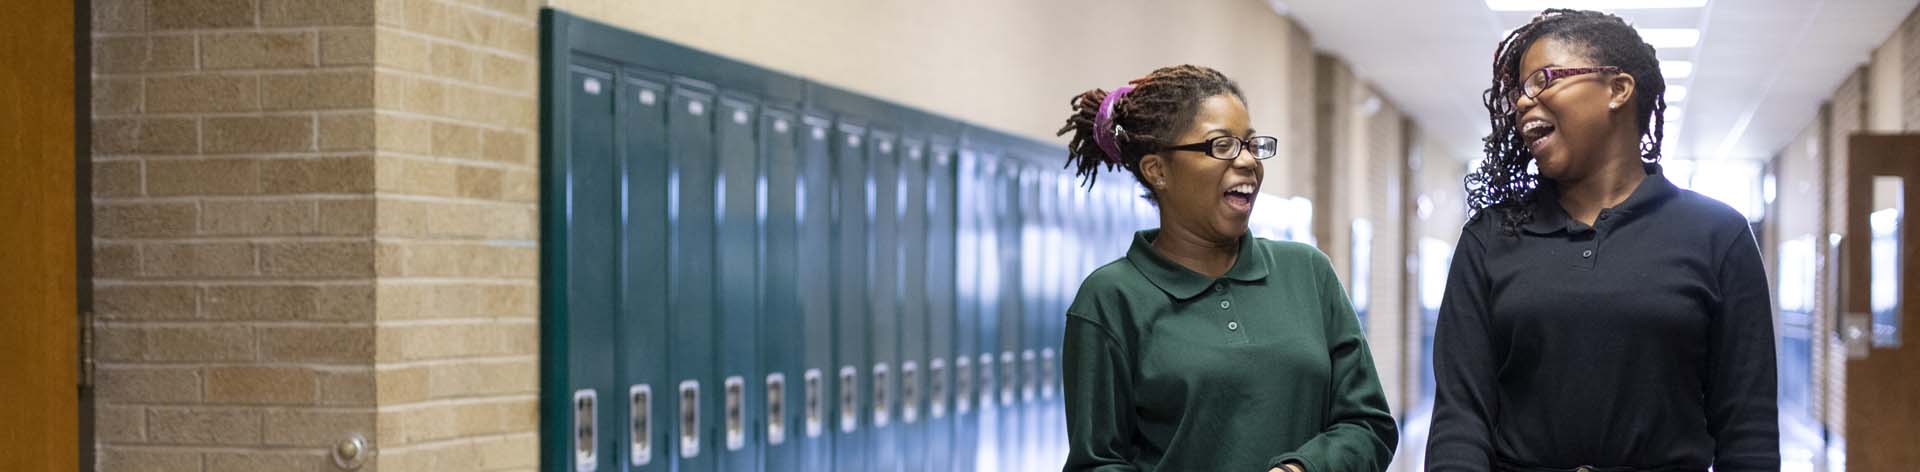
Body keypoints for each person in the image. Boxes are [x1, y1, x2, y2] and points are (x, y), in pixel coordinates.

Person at [1426, 9, 1779, 471]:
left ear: (1618, 89)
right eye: (1518, 91)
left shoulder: (1717, 235)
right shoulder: (1490, 238)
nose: (1522, 102)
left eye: (1543, 79)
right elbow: (1460, 419)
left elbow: (1747, 431)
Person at [1058, 64, 1396, 472]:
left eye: (1252, 145)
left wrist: (1301, 470)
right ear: (1157, 170)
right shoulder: (1110, 298)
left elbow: (1369, 424)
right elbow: (1098, 463)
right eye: (1222, 146)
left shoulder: (1308, 272)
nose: (1249, 161)